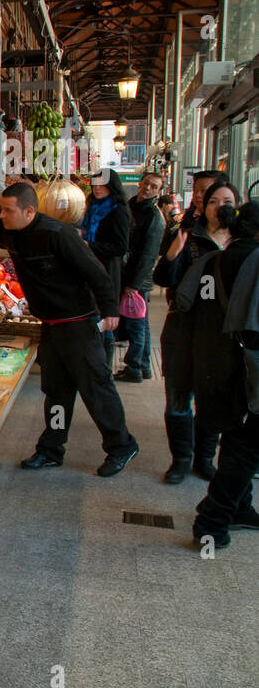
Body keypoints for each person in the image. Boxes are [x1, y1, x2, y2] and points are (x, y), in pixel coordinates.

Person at [0, 182, 139, 477]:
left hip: (79, 326)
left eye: (8, 210)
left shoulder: (58, 235)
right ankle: (51, 448)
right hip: (51, 327)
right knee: (56, 392)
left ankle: (121, 445)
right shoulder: (11, 230)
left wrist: (111, 311)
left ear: (30, 211)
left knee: (96, 389)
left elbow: (96, 273)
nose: (2, 216)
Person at [174, 202, 259, 548]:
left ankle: (239, 507)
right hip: (249, 367)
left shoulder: (220, 257)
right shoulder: (253, 261)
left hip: (218, 361)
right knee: (246, 447)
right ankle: (212, 522)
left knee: (240, 439)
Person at [153, 178, 237, 483]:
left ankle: (203, 459)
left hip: (221, 334)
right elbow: (163, 279)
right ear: (202, 207)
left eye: (227, 202)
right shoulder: (189, 236)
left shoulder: (243, 243)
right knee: (177, 399)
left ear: (237, 207)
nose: (219, 207)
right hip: (183, 327)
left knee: (210, 399)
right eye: (213, 201)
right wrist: (175, 251)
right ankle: (181, 460)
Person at [116, 171, 166, 382]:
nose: (148, 188)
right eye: (146, 183)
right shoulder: (132, 206)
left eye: (153, 186)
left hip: (137, 279)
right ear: (139, 183)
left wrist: (134, 284)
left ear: (158, 191)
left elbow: (148, 255)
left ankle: (135, 367)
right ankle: (142, 365)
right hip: (129, 274)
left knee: (136, 323)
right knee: (140, 322)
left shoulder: (154, 217)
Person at [80, 169, 130, 369]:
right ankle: (95, 363)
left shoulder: (118, 211)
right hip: (89, 268)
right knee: (96, 317)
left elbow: (120, 246)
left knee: (106, 319)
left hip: (108, 270)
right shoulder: (92, 207)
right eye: (95, 184)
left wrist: (89, 245)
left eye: (102, 185)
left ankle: (104, 367)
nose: (97, 189)